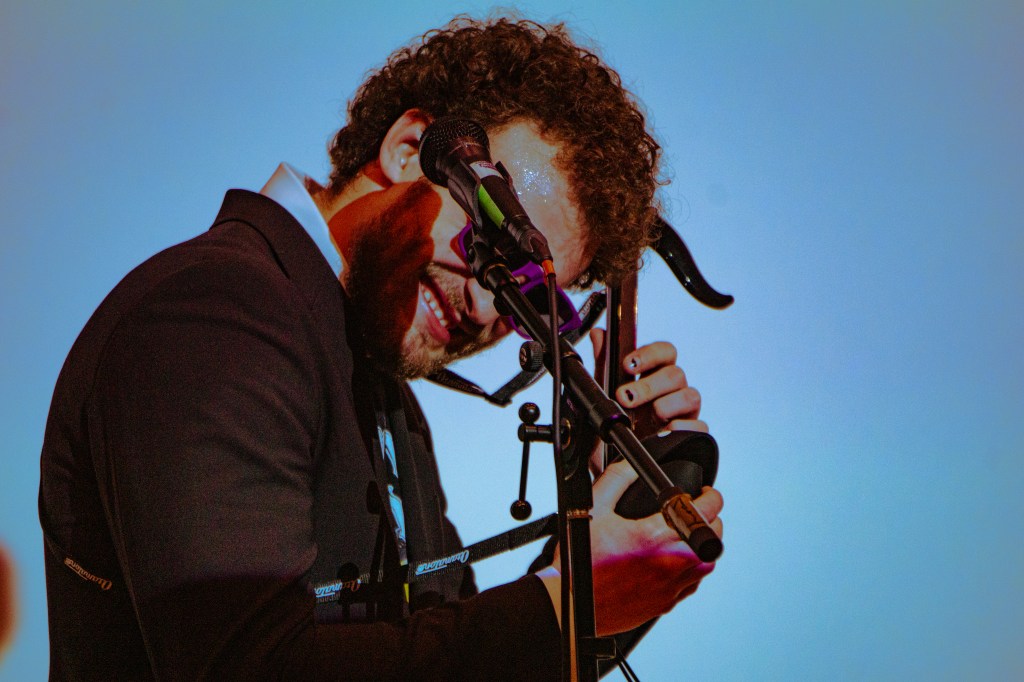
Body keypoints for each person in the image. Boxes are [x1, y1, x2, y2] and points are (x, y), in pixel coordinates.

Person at [39, 16, 724, 680]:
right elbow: (250, 667)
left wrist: (603, 531)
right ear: (410, 148)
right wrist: (561, 610)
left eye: (526, 294)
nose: (486, 307)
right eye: (491, 245)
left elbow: (444, 653)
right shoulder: (218, 311)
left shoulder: (379, 389)